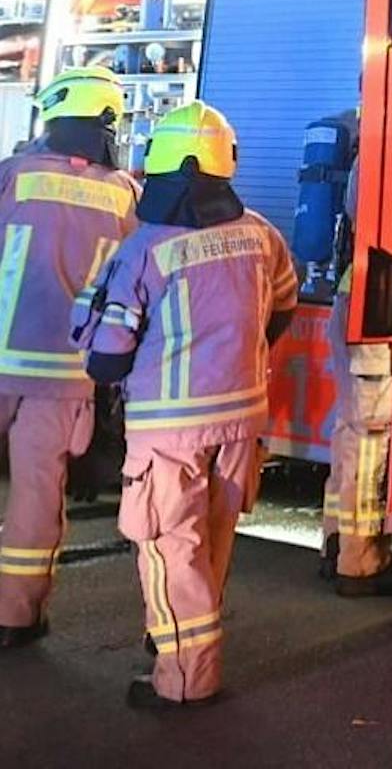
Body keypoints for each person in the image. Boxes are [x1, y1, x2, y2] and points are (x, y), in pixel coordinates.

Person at [75, 101, 298, 710]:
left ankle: (184, 678)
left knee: (170, 546)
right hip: (242, 418)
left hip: (168, 430)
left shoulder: (144, 248)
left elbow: (107, 358)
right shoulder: (259, 233)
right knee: (214, 539)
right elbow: (284, 304)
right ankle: (182, 642)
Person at [0, 66, 137, 651]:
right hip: (65, 374)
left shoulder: (14, 175)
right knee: (37, 489)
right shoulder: (127, 193)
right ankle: (15, 615)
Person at [320, 157, 392, 597]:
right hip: (374, 310)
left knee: (350, 433)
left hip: (357, 301)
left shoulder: (371, 151)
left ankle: (338, 545)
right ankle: (360, 562)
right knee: (370, 440)